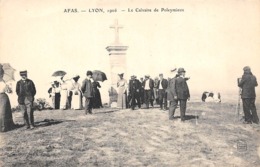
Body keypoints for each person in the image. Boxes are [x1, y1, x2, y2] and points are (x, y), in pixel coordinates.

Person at [0, 65, 15, 132]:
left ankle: (4, 127)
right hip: (2, 96)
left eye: (1, 73)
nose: (1, 75)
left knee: (4, 112)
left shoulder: (3, 82)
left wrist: (9, 87)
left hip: (3, 97)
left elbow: (9, 91)